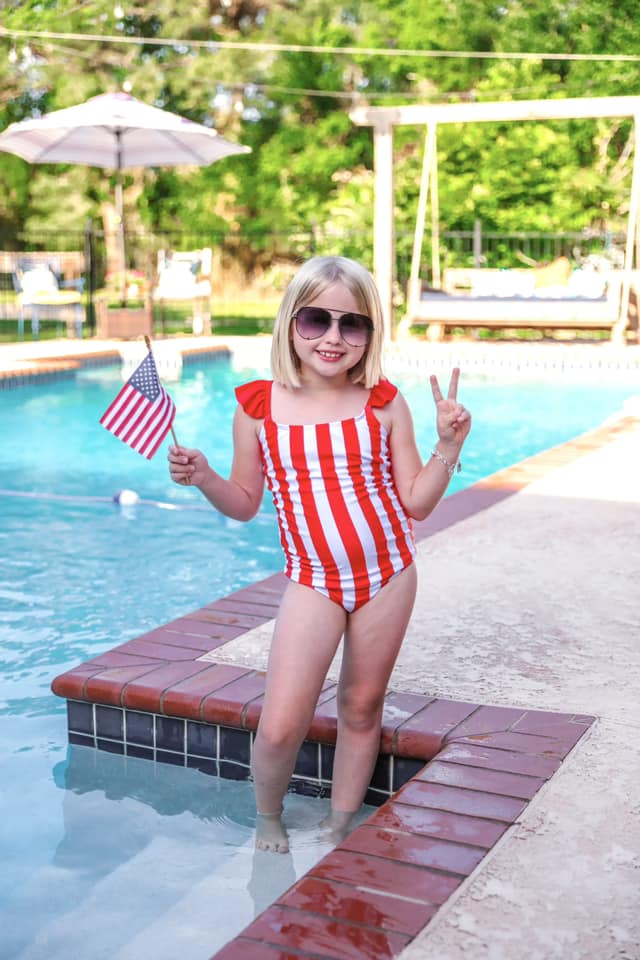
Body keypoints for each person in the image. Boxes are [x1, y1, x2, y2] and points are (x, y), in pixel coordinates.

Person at [168, 255, 471, 853]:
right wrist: (205, 478)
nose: (333, 337)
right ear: (290, 323)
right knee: (281, 723)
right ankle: (268, 818)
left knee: (362, 705)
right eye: (316, 320)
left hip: (387, 574)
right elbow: (246, 501)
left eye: (351, 324)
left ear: (369, 334)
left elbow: (417, 503)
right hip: (314, 580)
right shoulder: (259, 408)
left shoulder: (382, 403)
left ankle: (340, 823)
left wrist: (448, 446)